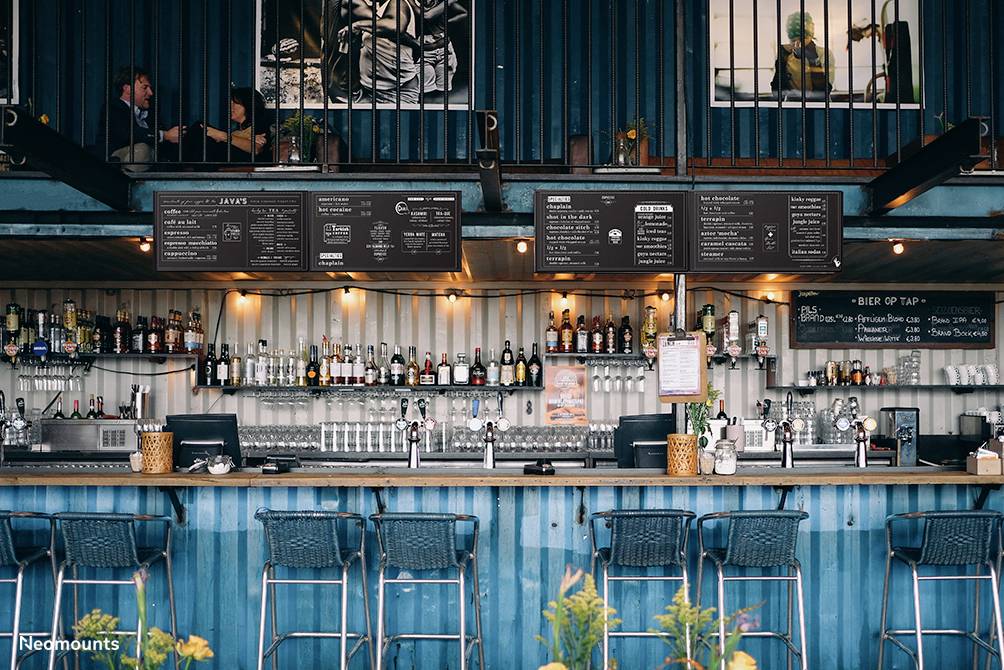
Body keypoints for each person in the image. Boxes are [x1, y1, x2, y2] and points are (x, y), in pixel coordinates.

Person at [95, 66, 184, 171]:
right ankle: (125, 183)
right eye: (145, 87)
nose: (151, 93)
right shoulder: (113, 108)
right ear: (127, 88)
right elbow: (129, 134)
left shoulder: (150, 113)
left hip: (149, 162)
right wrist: (164, 135)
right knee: (143, 148)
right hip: (117, 161)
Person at [182, 87, 272, 164]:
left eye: (235, 103)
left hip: (242, 161)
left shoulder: (260, 124)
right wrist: (240, 136)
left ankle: (176, 160)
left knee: (200, 128)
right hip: (222, 159)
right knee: (200, 132)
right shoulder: (237, 129)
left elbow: (255, 149)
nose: (230, 107)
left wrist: (223, 136)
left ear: (248, 105)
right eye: (230, 103)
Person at [770, 12, 836, 98]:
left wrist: (813, 58)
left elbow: (823, 91)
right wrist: (781, 64)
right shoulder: (787, 55)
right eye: (793, 40)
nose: (798, 44)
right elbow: (777, 93)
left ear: (811, 37)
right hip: (792, 108)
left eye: (802, 39)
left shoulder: (823, 54)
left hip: (819, 108)